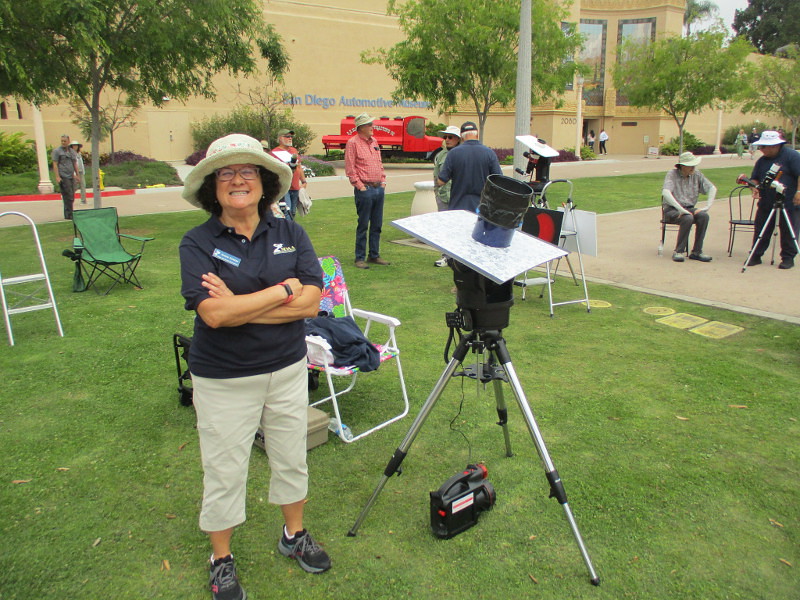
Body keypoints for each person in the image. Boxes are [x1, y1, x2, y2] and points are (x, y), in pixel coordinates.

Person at [179, 134, 331, 600]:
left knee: (291, 455)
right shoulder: (198, 241)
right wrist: (282, 291)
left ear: (265, 183)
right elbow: (214, 315)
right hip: (223, 377)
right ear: (213, 186)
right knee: (224, 468)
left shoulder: (290, 233)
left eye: (248, 172)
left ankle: (293, 535)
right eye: (226, 172)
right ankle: (220, 559)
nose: (238, 180)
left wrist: (245, 303)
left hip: (286, 368)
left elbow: (312, 300)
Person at [746, 130, 800, 270]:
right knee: (761, 227)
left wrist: (799, 192)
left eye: (763, 147)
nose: (761, 149)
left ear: (775, 146)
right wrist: (754, 187)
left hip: (788, 200)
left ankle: (788, 258)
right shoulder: (762, 161)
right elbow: (755, 178)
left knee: (789, 229)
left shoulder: (792, 156)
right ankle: (756, 254)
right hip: (767, 200)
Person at [345, 112, 389, 269]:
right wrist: (360, 186)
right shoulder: (353, 143)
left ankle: (374, 255)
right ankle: (359, 257)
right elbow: (350, 168)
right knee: (363, 224)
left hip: (378, 188)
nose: (373, 127)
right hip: (365, 189)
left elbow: (379, 163)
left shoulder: (374, 141)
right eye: (370, 125)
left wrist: (383, 181)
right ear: (361, 127)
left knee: (377, 224)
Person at [661, 151, 717, 263]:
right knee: (687, 218)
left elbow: (712, 188)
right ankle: (678, 251)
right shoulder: (672, 174)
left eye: (694, 165)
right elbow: (666, 193)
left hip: (690, 207)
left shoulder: (697, 175)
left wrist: (707, 206)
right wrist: (681, 210)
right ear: (682, 166)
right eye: (690, 165)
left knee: (703, 216)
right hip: (672, 209)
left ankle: (697, 251)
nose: (693, 167)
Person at [436, 121, 502, 213]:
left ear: (461, 137)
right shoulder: (489, 153)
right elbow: (499, 181)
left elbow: (441, 181)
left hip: (458, 207)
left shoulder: (453, 154)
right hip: (482, 208)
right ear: (477, 135)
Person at [432, 125, 461, 267]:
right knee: (444, 228)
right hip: (443, 197)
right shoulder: (441, 155)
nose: (447, 140)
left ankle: (455, 257)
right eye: (445, 137)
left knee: (457, 228)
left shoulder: (461, 154)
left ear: (458, 139)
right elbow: (436, 175)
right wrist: (436, 192)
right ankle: (446, 256)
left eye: (450, 137)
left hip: (456, 197)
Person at [271, 129, 307, 218]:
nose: (290, 138)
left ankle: (289, 228)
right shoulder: (274, 153)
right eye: (287, 136)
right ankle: (288, 230)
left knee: (293, 212)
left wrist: (304, 181)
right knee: (287, 211)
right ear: (280, 138)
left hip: (295, 186)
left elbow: (299, 166)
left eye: (291, 137)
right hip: (284, 187)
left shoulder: (293, 150)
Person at [51, 134, 78, 219]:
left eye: (65, 141)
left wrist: (77, 174)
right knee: (67, 195)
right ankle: (69, 214)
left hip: (71, 176)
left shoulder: (71, 151)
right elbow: (55, 164)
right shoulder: (57, 151)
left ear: (68, 142)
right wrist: (57, 176)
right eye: (62, 141)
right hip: (63, 176)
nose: (63, 143)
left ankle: (69, 212)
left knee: (72, 195)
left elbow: (74, 163)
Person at [69, 140, 88, 204]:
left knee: (83, 185)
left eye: (76, 146)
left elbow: (81, 163)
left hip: (81, 172)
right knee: (74, 186)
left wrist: (83, 171)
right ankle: (68, 197)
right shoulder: (70, 154)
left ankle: (83, 200)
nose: (75, 147)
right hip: (74, 172)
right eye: (74, 146)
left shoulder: (79, 154)